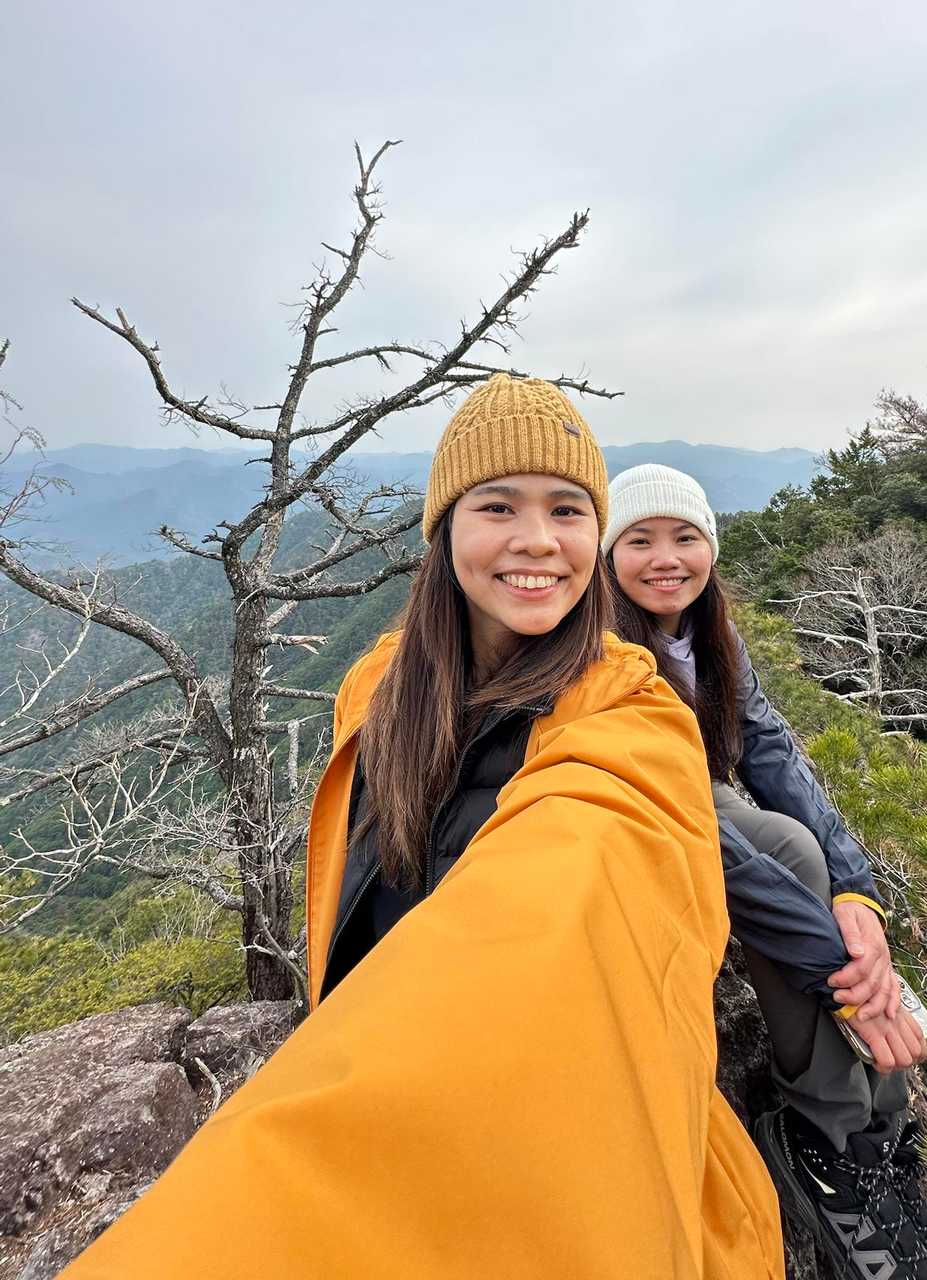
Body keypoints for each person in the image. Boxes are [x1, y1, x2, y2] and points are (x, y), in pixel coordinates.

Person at [62, 379, 782, 1280]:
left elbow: (556, 899)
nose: (538, 539)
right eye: (497, 506)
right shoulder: (380, 690)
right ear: (442, 530)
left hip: (562, 1139)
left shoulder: (630, 714)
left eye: (567, 510)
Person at [604, 463, 927, 1280]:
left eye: (685, 537)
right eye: (639, 540)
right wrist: (840, 968)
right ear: (607, 556)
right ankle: (827, 1134)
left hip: (699, 791)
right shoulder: (606, 650)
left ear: (710, 547)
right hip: (637, 803)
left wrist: (857, 891)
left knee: (808, 851)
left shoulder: (712, 636)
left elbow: (772, 753)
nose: (666, 558)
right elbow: (690, 815)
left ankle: (878, 1129)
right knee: (790, 857)